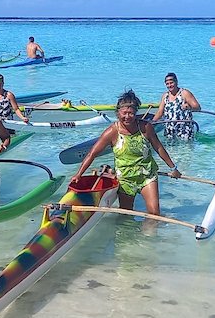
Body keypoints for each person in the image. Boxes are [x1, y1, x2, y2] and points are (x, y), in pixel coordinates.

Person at [70, 90, 180, 233]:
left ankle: (148, 241)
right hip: (125, 180)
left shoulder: (146, 127)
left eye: (131, 113)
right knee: (126, 215)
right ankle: (126, 245)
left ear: (136, 113)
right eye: (124, 113)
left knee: (154, 214)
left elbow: (158, 147)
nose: (128, 117)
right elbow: (92, 154)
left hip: (147, 175)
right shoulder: (112, 132)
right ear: (118, 113)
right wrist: (78, 175)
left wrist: (173, 167)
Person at [152, 72, 201, 140]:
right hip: (170, 131)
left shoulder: (184, 93)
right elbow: (160, 112)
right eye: (167, 84)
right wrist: (152, 123)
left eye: (171, 83)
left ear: (176, 82)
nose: (169, 85)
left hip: (184, 131)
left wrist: (189, 106)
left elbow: (198, 107)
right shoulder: (165, 96)